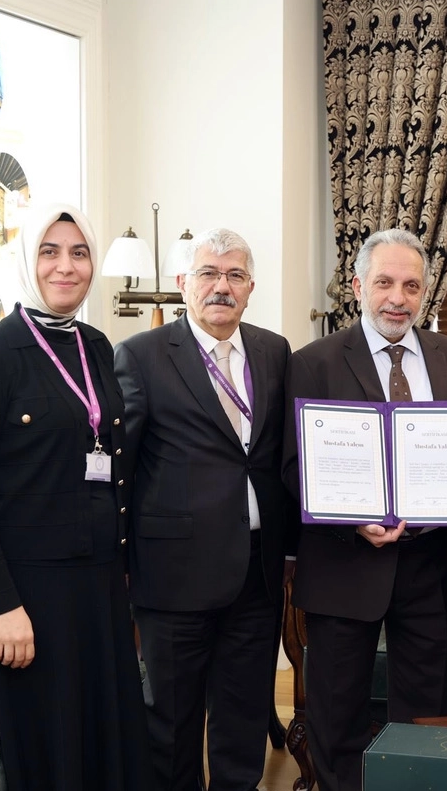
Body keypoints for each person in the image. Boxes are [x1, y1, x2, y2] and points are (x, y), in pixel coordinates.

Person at [0, 203, 150, 790]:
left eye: (79, 253)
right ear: (26, 261)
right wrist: (2, 606)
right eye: (49, 252)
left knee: (108, 745)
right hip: (28, 594)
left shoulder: (96, 345)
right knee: (50, 754)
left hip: (99, 581)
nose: (66, 267)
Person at [282, 228, 447, 791]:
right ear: (358, 287)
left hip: (430, 564)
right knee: (336, 714)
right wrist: (353, 519)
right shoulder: (312, 362)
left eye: (411, 286)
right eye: (384, 283)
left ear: (424, 291)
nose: (397, 298)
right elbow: (292, 467)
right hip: (344, 563)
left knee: (425, 718)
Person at [113, 228, 296, 791]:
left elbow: (282, 453)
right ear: (183, 283)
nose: (222, 286)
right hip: (173, 575)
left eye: (235, 275)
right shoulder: (142, 355)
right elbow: (123, 467)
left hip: (256, 572)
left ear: (251, 287)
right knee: (172, 725)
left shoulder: (273, 351)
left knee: (243, 718)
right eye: (209, 273)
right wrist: (121, 561)